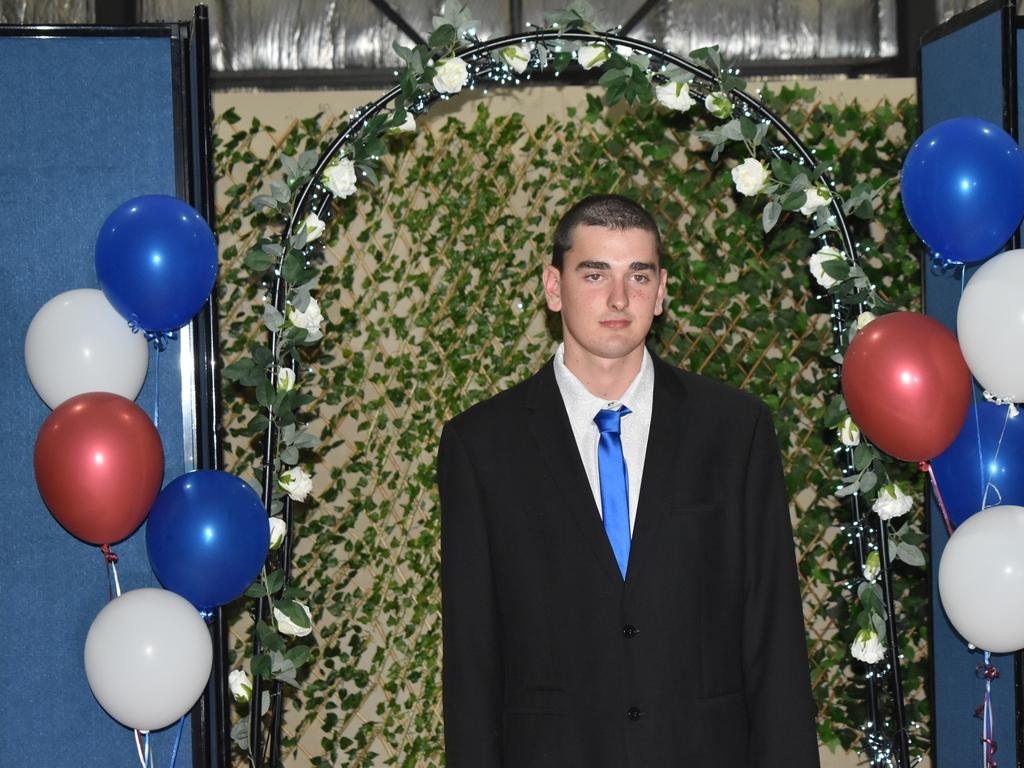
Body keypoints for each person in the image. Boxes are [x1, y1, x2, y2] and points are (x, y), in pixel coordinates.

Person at [437, 194, 819, 767]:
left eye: (638, 275)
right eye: (595, 274)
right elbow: (471, 655)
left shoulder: (734, 430)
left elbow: (773, 634)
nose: (619, 298)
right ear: (553, 286)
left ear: (661, 291)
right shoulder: (481, 446)